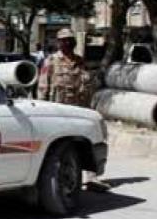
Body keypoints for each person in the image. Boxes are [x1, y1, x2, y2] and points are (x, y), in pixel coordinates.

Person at [37, 29, 110, 191]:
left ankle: (92, 178)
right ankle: (59, 178)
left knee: (88, 140)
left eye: (70, 39)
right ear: (58, 43)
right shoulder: (51, 61)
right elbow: (42, 87)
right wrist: (42, 110)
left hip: (78, 110)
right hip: (58, 111)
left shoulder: (79, 61)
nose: (67, 43)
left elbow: (86, 85)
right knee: (61, 145)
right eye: (63, 40)